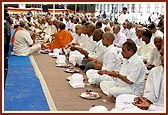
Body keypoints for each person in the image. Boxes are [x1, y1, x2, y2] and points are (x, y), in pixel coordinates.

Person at [112, 45, 164, 111]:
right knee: (121, 99)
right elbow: (149, 92)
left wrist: (150, 107)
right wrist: (146, 100)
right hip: (151, 105)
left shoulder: (137, 62)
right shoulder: (155, 71)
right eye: (162, 54)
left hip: (159, 109)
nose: (162, 58)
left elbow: (130, 81)